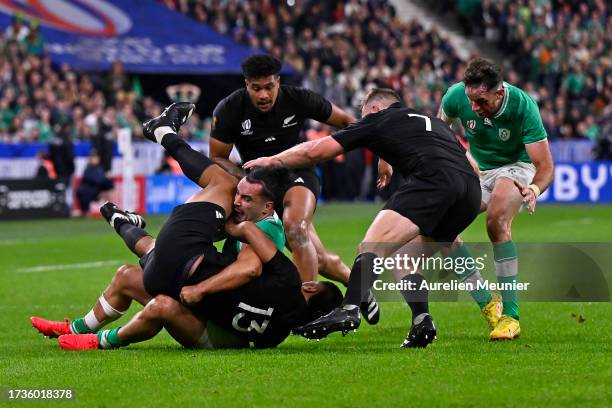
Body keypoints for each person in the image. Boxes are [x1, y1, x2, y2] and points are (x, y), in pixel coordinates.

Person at [32, 102, 342, 350]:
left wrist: (203, 284)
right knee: (131, 273)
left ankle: (96, 341)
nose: (237, 201)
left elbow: (247, 269)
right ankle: (76, 324)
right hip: (217, 302)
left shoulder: (267, 230)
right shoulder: (281, 312)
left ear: (267, 207)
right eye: (241, 196)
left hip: (218, 326)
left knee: (163, 301)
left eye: (247, 199)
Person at [244, 88, 484, 348]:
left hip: (434, 181)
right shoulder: (431, 122)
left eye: (364, 116)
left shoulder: (376, 119)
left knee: (370, 246)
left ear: (375, 109)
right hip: (469, 193)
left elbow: (316, 151)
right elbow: (472, 166)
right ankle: (421, 320)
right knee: (403, 258)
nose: (363, 121)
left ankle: (349, 308)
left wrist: (273, 160)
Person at [209, 54, 380, 324]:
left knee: (296, 227)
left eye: (269, 87)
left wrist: (377, 156)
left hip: (295, 175)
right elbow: (217, 157)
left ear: (278, 82)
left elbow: (351, 124)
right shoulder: (229, 109)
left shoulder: (299, 98)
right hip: (257, 186)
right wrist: (245, 176)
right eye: (256, 88)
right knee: (320, 259)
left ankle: (302, 312)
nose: (263, 94)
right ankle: (359, 288)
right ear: (246, 85)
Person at [438, 58, 554, 340]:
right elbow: (438, 129)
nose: (474, 108)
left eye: (481, 101)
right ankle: (489, 304)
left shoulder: (523, 106)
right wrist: (461, 154)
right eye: (471, 101)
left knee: (496, 220)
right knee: (439, 228)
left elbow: (545, 166)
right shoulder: (457, 96)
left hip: (516, 167)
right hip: (477, 169)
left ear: (499, 93)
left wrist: (534, 190)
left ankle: (511, 317)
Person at [76, 150, 114, 216]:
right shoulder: (88, 169)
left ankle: (111, 211)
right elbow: (94, 180)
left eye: (95, 157)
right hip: (91, 191)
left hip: (99, 190)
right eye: (92, 158)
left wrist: (108, 182)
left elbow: (103, 181)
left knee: (110, 188)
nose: (94, 159)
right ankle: (85, 212)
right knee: (83, 192)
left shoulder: (100, 168)